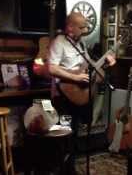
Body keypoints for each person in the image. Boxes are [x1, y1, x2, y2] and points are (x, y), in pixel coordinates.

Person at [48, 12, 116, 174]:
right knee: (64, 136)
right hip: (63, 97)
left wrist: (105, 64)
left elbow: (89, 70)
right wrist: (75, 77)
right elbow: (51, 68)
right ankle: (62, 170)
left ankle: (69, 169)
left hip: (77, 97)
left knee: (74, 135)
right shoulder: (59, 42)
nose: (85, 30)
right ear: (70, 27)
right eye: (82, 27)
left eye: (86, 26)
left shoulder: (81, 45)